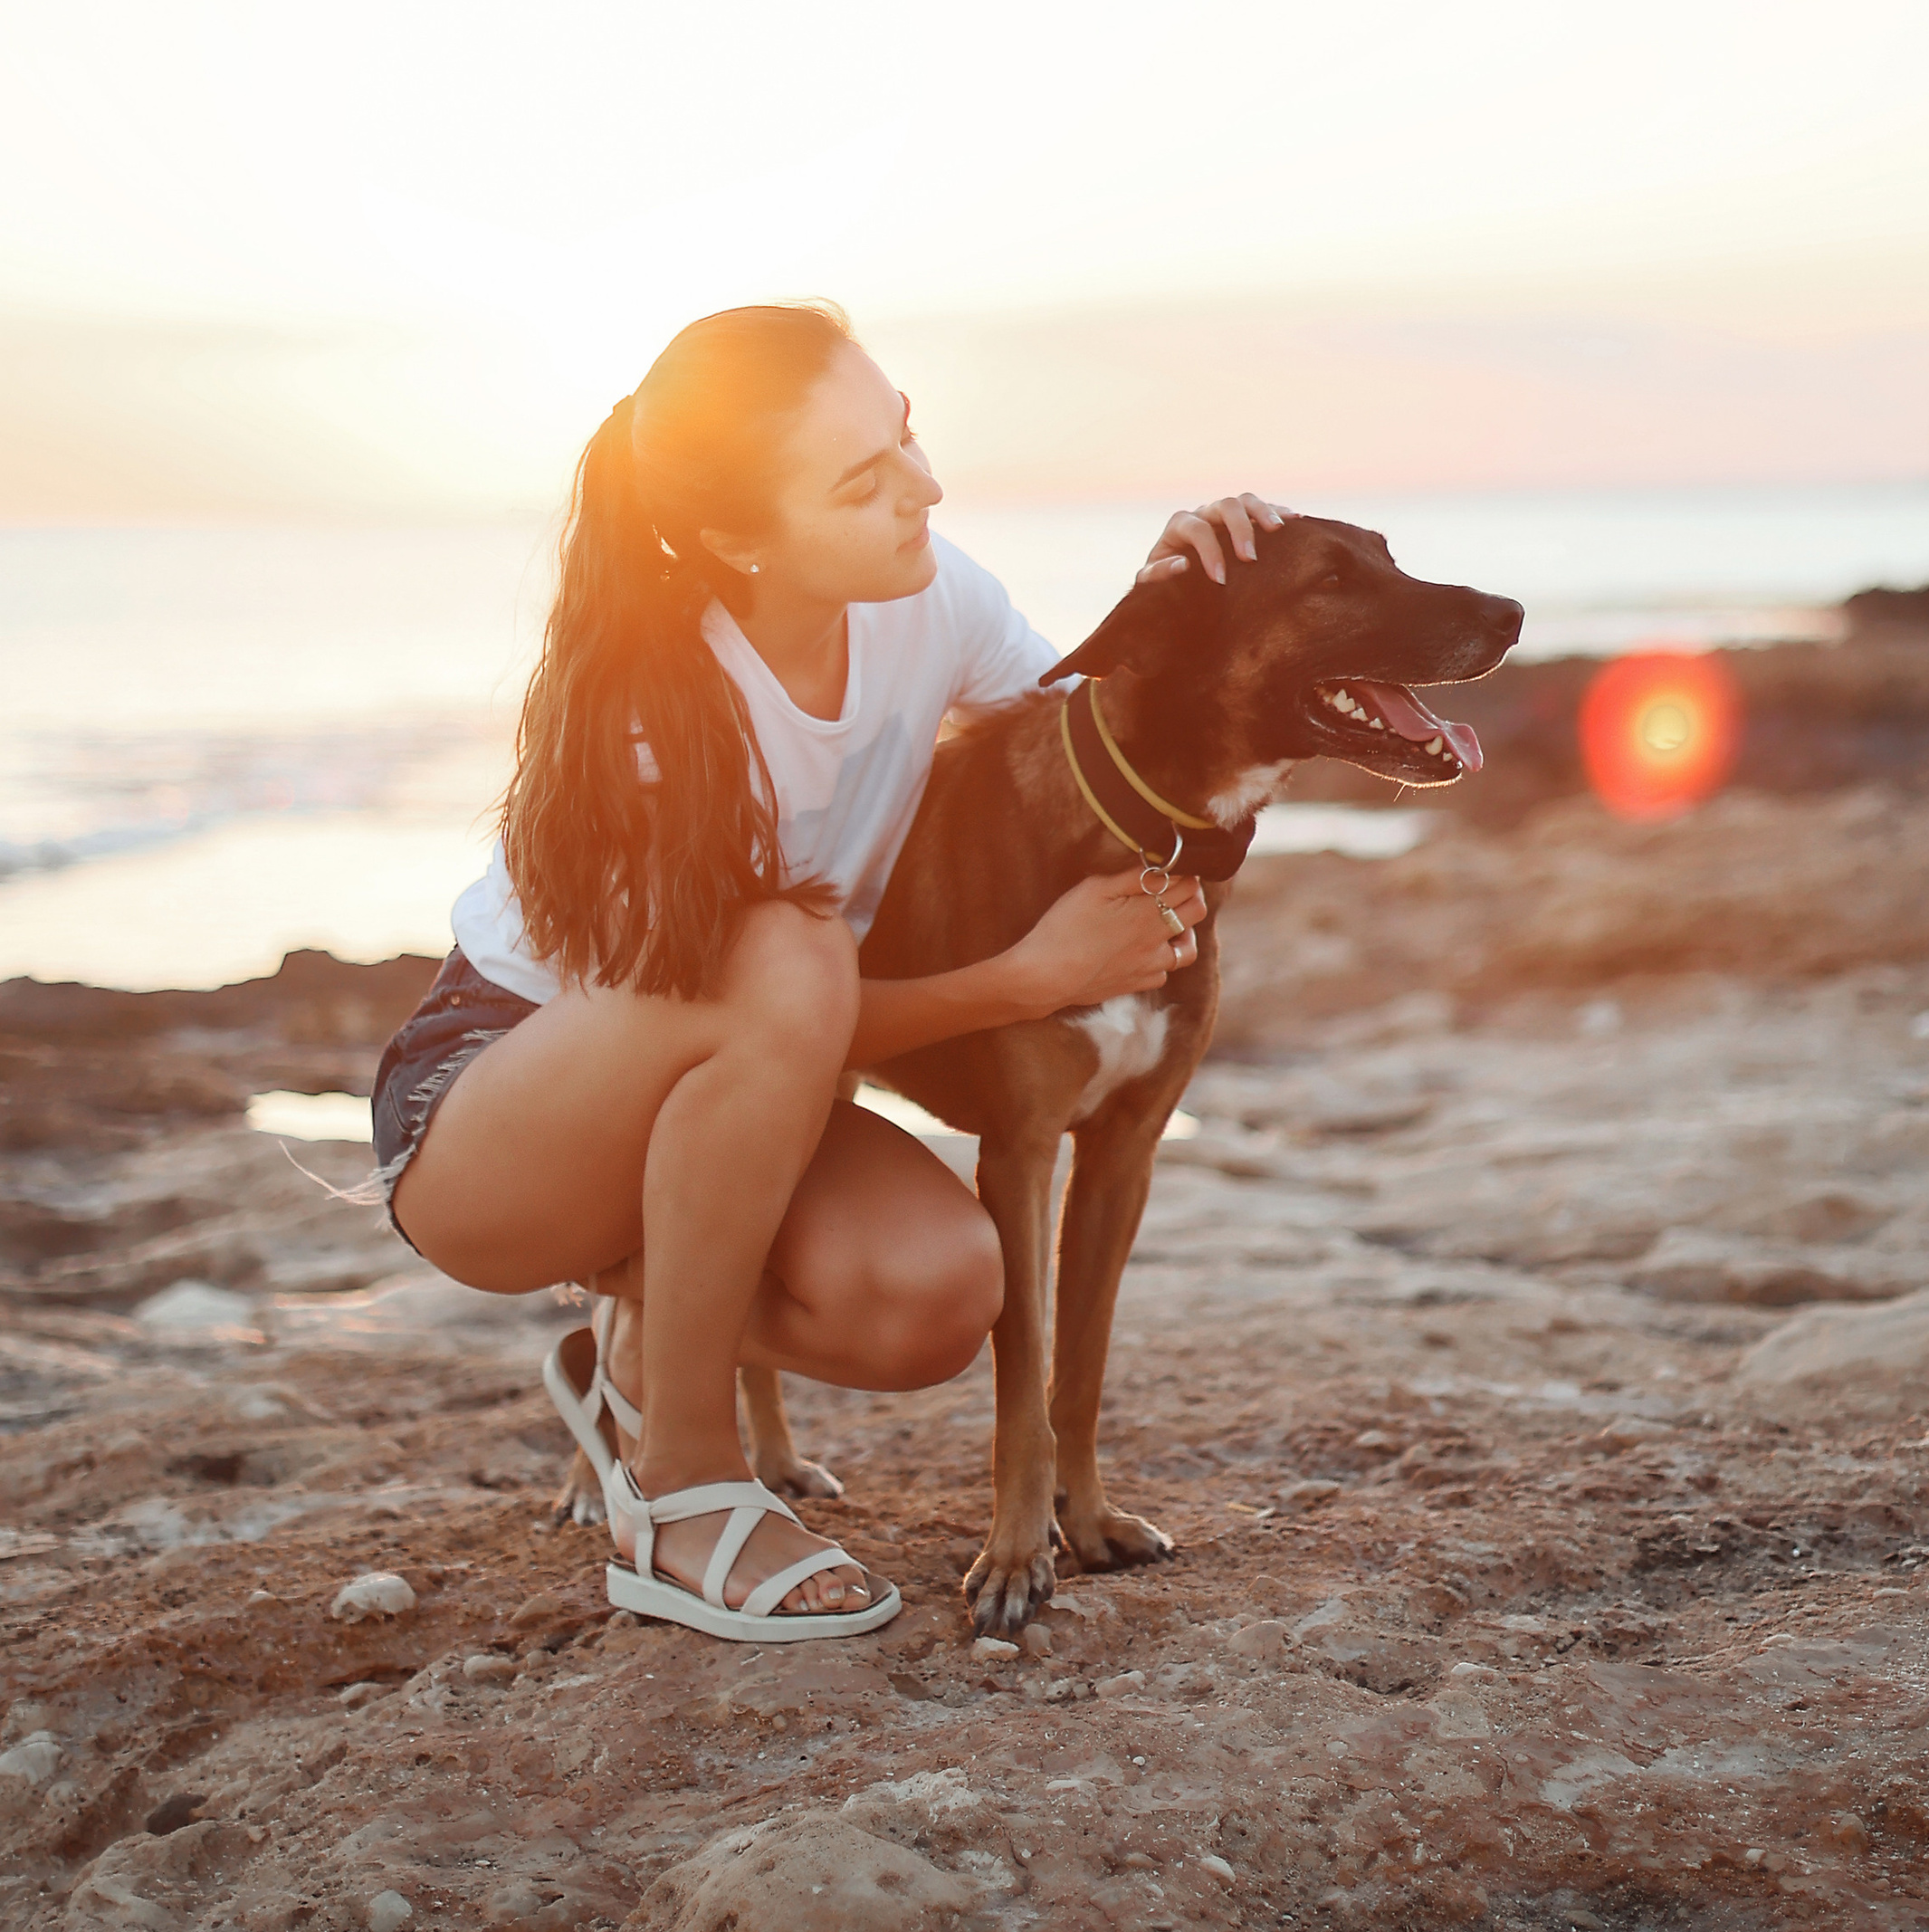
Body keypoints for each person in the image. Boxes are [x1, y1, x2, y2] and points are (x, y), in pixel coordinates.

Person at [370, 300, 1283, 1645]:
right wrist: (1029, 980)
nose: (923, 487)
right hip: (498, 1112)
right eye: (864, 482)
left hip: (735, 1096)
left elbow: (1089, 743)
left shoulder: (933, 598)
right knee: (787, 942)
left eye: (906, 435)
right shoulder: (657, 705)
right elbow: (753, 1005)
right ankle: (678, 1493)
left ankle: (634, 1347)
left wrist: (1179, 606)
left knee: (931, 1297)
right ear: (738, 536)